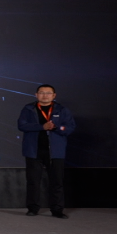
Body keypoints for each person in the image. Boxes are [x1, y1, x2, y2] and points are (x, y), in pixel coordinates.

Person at [18, 84, 75, 219]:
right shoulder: (28, 109)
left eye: (48, 93)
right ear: (36, 95)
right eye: (42, 92)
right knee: (33, 181)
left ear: (54, 95)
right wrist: (42, 127)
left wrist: (56, 128)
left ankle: (57, 209)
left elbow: (70, 128)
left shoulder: (62, 110)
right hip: (34, 151)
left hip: (55, 152)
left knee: (57, 182)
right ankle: (33, 208)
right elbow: (22, 125)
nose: (45, 95)